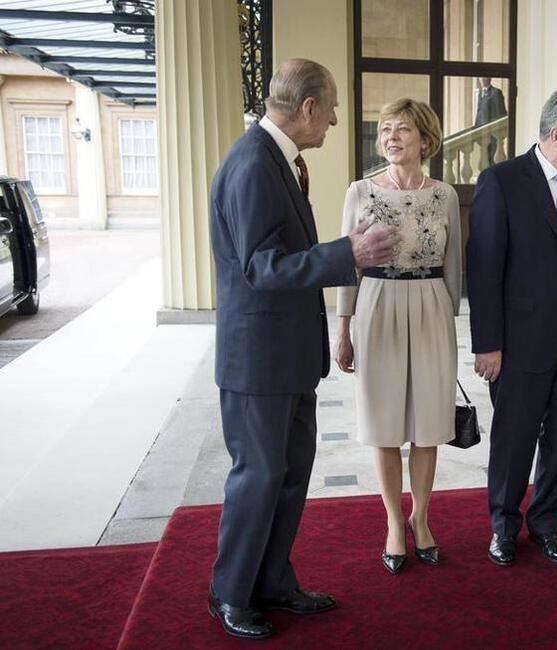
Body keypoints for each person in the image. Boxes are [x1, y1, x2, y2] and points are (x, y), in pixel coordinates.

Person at [208, 59, 399, 639]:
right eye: (333, 107)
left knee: (289, 475)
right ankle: (231, 594)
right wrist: (349, 254)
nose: (337, 120)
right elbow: (262, 266)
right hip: (258, 361)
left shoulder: (277, 160)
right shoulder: (252, 164)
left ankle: (272, 583)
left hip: (285, 357)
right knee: (259, 476)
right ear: (309, 107)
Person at [467, 88, 557, 567]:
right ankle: (503, 526)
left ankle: (547, 523)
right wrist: (488, 344)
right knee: (514, 438)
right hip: (519, 343)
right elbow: (484, 269)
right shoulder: (502, 181)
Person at [335, 99, 461, 575]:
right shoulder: (359, 191)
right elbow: (348, 265)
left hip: (431, 306)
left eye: (402, 129)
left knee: (428, 422)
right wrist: (343, 327)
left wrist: (450, 322)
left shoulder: (444, 194)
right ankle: (393, 521)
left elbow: (454, 268)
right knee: (384, 422)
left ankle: (421, 518)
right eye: (384, 130)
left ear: (425, 140)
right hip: (377, 305)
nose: (390, 137)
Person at [474, 77, 507, 164]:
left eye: (484, 78)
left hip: (493, 132)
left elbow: (501, 112)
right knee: (485, 157)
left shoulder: (496, 93)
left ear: (489, 79)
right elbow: (479, 112)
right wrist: (475, 127)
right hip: (482, 132)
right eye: (481, 78)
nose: (482, 80)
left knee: (493, 157)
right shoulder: (480, 93)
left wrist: (496, 128)